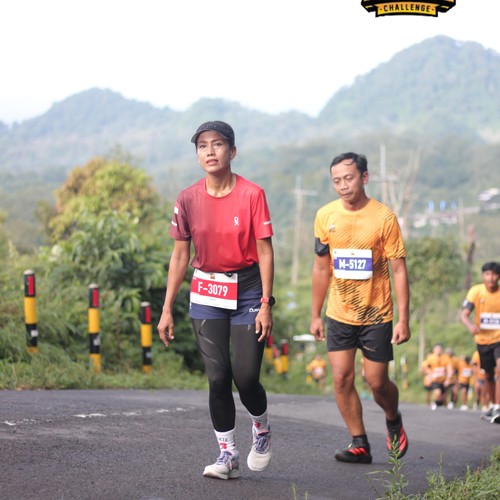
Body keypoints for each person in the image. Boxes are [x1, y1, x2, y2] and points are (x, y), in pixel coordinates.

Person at [157, 121, 275, 479]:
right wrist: (166, 308)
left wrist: (266, 303)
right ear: (197, 155)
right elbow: (180, 255)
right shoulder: (187, 198)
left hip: (249, 290)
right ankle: (227, 454)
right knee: (218, 376)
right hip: (207, 291)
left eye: (218, 144)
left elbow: (265, 252)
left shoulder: (252, 194)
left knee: (246, 377)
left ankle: (261, 428)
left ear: (232, 151)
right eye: (202, 146)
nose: (210, 151)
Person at [309, 152, 411, 464]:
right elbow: (321, 268)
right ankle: (359, 442)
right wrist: (315, 314)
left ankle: (393, 418)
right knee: (341, 379)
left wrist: (403, 319)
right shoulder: (325, 216)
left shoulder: (383, 218)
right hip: (339, 313)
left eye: (349, 178)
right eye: (336, 180)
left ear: (364, 178)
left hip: (376, 314)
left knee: (376, 382)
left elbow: (399, 270)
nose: (343, 185)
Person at [461, 261, 500, 424]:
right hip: (482, 341)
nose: (491, 278)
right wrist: (470, 325)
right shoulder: (476, 291)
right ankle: (493, 405)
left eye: (494, 274)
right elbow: (464, 314)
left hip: (499, 339)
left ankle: (498, 407)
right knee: (489, 374)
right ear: (483, 276)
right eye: (487, 274)